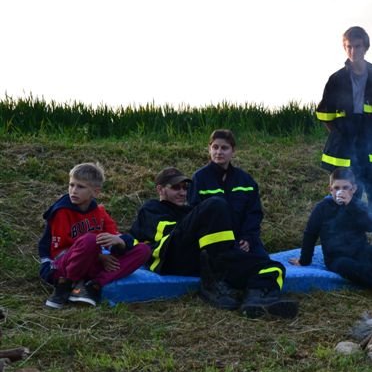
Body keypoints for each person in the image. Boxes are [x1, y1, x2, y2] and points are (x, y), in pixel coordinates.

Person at [130, 167, 297, 319]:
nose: (182, 192)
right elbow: (168, 234)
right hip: (169, 258)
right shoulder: (151, 208)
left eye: (185, 188)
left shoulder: (188, 211)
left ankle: (258, 298)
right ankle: (213, 282)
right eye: (176, 188)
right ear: (160, 189)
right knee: (215, 204)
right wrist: (202, 223)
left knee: (269, 266)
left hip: (202, 259)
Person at [315, 26, 372, 254]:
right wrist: (342, 135)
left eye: (357, 46)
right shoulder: (336, 80)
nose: (353, 51)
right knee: (346, 198)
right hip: (345, 151)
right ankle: (348, 248)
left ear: (366, 47)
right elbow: (325, 116)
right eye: (348, 46)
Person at [38, 162, 151, 309]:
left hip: (90, 265)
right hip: (61, 268)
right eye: (71, 185)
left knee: (143, 250)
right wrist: (99, 257)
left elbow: (113, 237)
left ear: (96, 192)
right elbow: (59, 252)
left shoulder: (99, 212)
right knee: (90, 240)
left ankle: (93, 286)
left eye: (81, 187)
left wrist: (119, 242)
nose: (73, 191)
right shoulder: (61, 211)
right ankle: (65, 287)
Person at [289, 168, 372, 292]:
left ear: (353, 189)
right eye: (336, 188)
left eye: (345, 188)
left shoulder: (358, 206)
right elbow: (310, 234)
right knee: (351, 268)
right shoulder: (322, 208)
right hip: (337, 257)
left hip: (361, 250)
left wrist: (351, 205)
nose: (340, 192)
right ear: (330, 189)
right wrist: (304, 260)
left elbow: (371, 226)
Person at [188, 129, 267, 257]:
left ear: (233, 151)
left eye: (224, 148)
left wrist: (247, 239)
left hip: (245, 241)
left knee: (268, 266)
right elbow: (194, 214)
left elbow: (254, 213)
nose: (219, 152)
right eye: (215, 147)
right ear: (209, 149)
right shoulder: (199, 178)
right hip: (214, 242)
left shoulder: (246, 180)